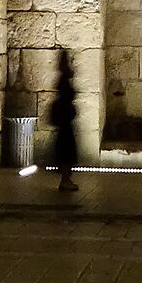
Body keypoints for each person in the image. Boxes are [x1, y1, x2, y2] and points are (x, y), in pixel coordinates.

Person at [49, 48, 79, 192]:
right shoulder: (65, 78)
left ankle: (66, 179)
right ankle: (65, 180)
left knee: (66, 151)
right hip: (65, 121)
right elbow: (67, 96)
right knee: (67, 152)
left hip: (64, 121)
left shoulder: (64, 77)